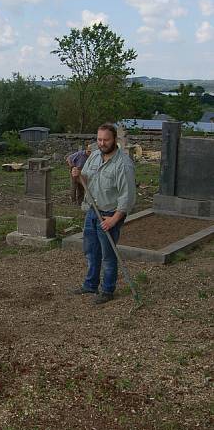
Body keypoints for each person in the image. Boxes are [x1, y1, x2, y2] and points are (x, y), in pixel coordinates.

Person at [71, 123, 136, 306]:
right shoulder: (94, 157)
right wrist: (77, 175)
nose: (102, 143)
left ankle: (107, 290)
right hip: (93, 211)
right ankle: (91, 285)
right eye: (99, 139)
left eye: (106, 140)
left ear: (114, 139)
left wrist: (114, 219)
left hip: (109, 215)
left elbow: (128, 197)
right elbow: (86, 179)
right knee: (91, 251)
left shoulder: (123, 164)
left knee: (108, 255)